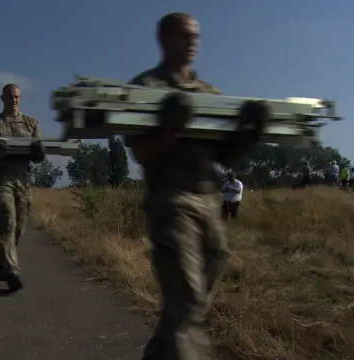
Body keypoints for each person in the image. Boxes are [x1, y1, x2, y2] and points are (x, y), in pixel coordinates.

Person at [123, 12, 268, 359]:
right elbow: (142, 153)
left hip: (208, 198)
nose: (192, 43)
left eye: (196, 37)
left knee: (195, 300)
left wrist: (250, 134)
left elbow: (226, 156)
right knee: (187, 296)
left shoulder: (209, 94)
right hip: (171, 200)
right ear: (163, 39)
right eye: (183, 36)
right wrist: (171, 128)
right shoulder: (146, 88)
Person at [0, 83, 46, 292]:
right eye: (10, 97)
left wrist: (38, 152)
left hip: (24, 180)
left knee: (19, 228)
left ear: (21, 98)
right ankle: (13, 272)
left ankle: (2, 260)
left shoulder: (31, 123)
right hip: (3, 179)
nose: (14, 100)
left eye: (17, 97)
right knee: (8, 223)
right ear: (3, 99)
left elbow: (38, 157)